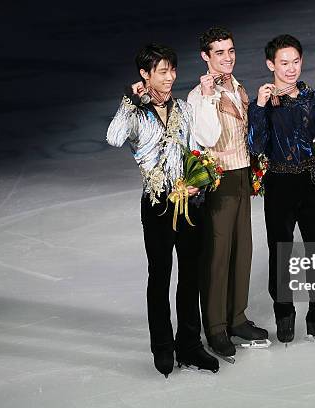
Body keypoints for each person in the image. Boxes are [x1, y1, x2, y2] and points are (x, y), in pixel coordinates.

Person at [106, 43, 218, 377]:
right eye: (161, 71)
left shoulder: (182, 108)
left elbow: (196, 149)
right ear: (145, 75)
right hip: (156, 205)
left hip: (189, 203)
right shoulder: (136, 115)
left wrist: (201, 178)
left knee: (191, 276)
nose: (169, 78)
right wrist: (128, 100)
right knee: (160, 277)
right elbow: (113, 138)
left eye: (172, 70)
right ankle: (163, 347)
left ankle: (190, 344)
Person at [247, 34, 315, 344]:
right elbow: (256, 146)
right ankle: (284, 312)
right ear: (270, 64)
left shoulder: (311, 97)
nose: (291, 69)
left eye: (295, 62)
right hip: (278, 183)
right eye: (284, 63)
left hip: (310, 181)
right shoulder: (263, 103)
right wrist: (260, 107)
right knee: (281, 253)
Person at [188, 27, 268, 359]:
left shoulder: (238, 87)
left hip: (241, 175)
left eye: (230, 51)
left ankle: (237, 318)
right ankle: (216, 327)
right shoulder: (198, 95)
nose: (227, 58)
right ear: (206, 57)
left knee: (243, 250)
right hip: (218, 180)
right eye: (219, 53)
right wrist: (208, 98)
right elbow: (207, 136)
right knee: (219, 256)